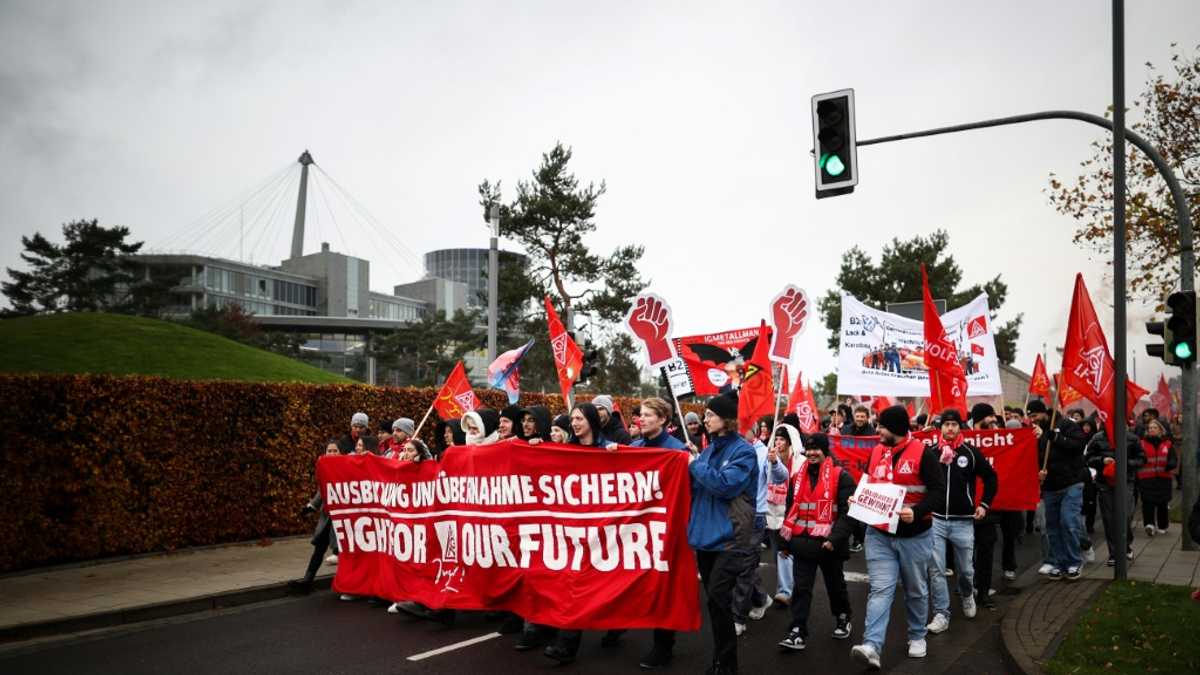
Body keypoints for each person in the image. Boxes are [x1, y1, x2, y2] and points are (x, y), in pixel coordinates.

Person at [850, 405, 946, 670]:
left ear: (897, 430)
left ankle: (917, 635)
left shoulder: (924, 455)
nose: (877, 430)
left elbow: (938, 492)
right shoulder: (877, 452)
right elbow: (868, 483)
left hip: (915, 536)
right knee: (880, 589)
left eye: (882, 426)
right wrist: (858, 499)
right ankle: (872, 645)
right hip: (879, 535)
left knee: (915, 589)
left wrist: (916, 512)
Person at [597, 398, 688, 670]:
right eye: (641, 415)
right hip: (636, 529)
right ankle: (620, 624)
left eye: (648, 415)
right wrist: (615, 456)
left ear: (663, 420)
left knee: (663, 586)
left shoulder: (677, 450)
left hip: (666, 528)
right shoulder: (634, 447)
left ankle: (663, 646)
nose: (641, 419)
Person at [687, 391, 758, 675]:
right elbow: (697, 486)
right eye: (706, 414)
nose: (706, 418)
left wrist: (696, 466)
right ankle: (721, 661)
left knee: (718, 599)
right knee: (716, 605)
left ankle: (727, 665)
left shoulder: (744, 451)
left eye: (711, 414)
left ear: (727, 420)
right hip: (705, 537)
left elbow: (726, 485)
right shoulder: (707, 450)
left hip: (730, 537)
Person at [541, 402, 611, 664]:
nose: (575, 423)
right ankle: (565, 643)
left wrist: (615, 455)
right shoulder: (564, 451)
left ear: (592, 420)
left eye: (580, 418)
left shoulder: (608, 449)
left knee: (593, 586)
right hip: (570, 533)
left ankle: (610, 629)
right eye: (572, 419)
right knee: (572, 586)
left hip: (601, 532)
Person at [776, 433, 856, 651]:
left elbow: (849, 514)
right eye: (808, 450)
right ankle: (797, 631)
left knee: (835, 586)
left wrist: (834, 539)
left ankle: (842, 616)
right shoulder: (797, 477)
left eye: (816, 449)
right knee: (801, 589)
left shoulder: (842, 477)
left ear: (825, 451)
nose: (811, 453)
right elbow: (790, 509)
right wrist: (783, 542)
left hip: (830, 545)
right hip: (802, 542)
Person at [926, 409, 997, 634]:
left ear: (960, 427)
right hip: (936, 521)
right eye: (946, 424)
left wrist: (984, 504)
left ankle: (967, 595)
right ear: (940, 428)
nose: (950, 428)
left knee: (966, 570)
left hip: (963, 522)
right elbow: (920, 480)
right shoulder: (930, 452)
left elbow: (991, 477)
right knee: (936, 570)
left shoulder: (970, 453)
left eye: (954, 424)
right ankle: (941, 613)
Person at [732, 412, 789, 636]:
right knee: (738, 563)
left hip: (755, 515)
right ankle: (761, 598)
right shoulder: (732, 449)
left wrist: (775, 462)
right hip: (733, 513)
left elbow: (780, 477)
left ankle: (737, 617)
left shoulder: (764, 451)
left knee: (745, 564)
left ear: (753, 430)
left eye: (742, 426)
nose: (737, 430)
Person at [1029, 399, 1089, 580]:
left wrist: (1052, 436)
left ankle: (1074, 562)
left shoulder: (1066, 425)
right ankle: (1058, 562)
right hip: (1050, 486)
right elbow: (1034, 458)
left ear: (1045, 413)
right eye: (1030, 416)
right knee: (1052, 527)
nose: (1033, 419)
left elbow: (1078, 445)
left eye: (1035, 415)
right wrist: (1037, 471)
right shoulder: (1034, 433)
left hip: (1071, 483)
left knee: (1068, 522)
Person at [288, 440, 343, 594]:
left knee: (343, 552)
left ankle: (347, 583)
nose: (332, 454)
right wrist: (311, 506)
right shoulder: (325, 469)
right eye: (329, 451)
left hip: (342, 519)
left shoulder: (346, 468)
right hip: (327, 518)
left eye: (335, 451)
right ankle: (307, 580)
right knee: (319, 550)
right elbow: (322, 491)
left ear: (341, 453)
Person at [1085, 429, 1143, 565]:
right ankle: (1114, 553)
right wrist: (1102, 460)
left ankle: (1126, 545)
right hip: (1105, 482)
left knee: (1125, 515)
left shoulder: (1132, 438)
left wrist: (1126, 463)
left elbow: (1141, 459)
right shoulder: (1097, 438)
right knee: (1109, 518)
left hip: (1126, 481)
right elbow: (1088, 458)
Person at [767, 423, 804, 607]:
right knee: (776, 555)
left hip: (790, 515)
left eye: (783, 439)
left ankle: (785, 592)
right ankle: (790, 585)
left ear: (791, 442)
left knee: (784, 553)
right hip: (771, 513)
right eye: (777, 439)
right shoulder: (769, 457)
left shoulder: (800, 461)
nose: (779, 443)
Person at [1137, 418, 1177, 537]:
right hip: (1146, 478)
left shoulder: (1168, 444)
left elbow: (1173, 458)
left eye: (1154, 428)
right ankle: (1149, 525)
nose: (1151, 430)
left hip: (1163, 478)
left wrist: (1171, 464)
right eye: (1150, 428)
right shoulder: (1141, 443)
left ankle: (1162, 525)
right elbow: (1138, 457)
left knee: (1162, 503)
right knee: (1147, 502)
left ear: (1160, 430)